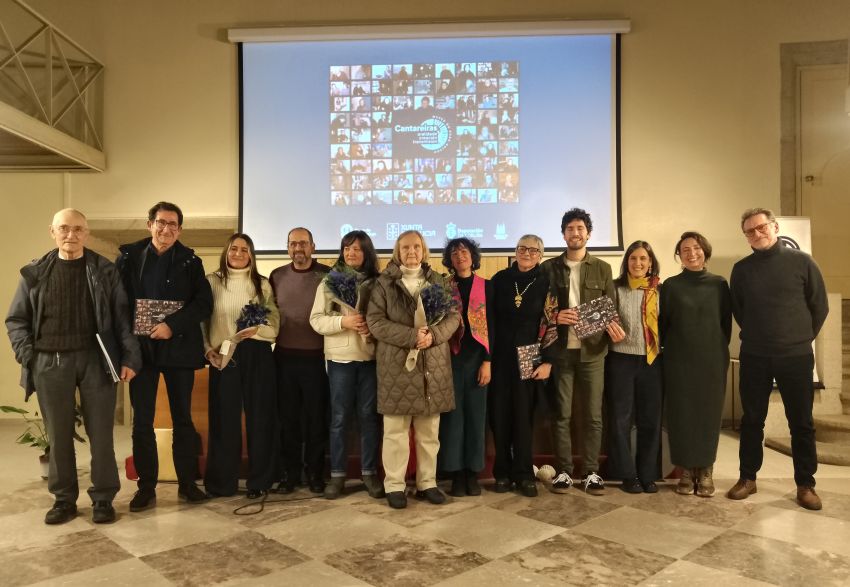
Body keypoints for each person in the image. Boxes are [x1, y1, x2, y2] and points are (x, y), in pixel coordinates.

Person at [6, 209, 141, 525]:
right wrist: (29, 355)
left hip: (95, 360)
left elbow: (123, 318)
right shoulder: (35, 273)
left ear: (87, 232)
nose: (71, 235)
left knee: (101, 434)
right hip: (50, 362)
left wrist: (130, 357)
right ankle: (64, 500)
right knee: (59, 434)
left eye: (78, 229)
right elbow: (16, 320)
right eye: (64, 228)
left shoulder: (105, 271)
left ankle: (103, 498)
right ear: (52, 231)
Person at [727, 208, 828, 510]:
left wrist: (798, 337)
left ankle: (805, 484)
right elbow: (739, 310)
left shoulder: (802, 262)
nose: (756, 234)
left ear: (774, 227)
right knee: (752, 420)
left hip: (795, 356)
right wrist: (761, 335)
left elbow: (819, 306)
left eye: (760, 228)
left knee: (801, 422)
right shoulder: (742, 269)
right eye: (749, 231)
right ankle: (748, 478)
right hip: (755, 355)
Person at [116, 202, 212, 511]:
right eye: (160, 222)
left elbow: (203, 304)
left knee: (183, 419)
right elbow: (117, 302)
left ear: (180, 230)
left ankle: (187, 484)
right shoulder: (129, 258)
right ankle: (146, 487)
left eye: (173, 224)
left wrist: (172, 326)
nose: (166, 229)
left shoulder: (190, 262)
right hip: (140, 351)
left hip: (179, 348)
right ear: (149, 225)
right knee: (141, 422)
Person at [366, 230, 460, 509]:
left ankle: (427, 483)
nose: (411, 251)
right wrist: (411, 337)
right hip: (396, 366)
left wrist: (433, 335)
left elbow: (454, 317)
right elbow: (375, 322)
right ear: (397, 251)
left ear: (424, 250)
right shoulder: (384, 284)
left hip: (433, 365)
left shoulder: (440, 281)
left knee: (429, 431)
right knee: (395, 430)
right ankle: (395, 485)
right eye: (405, 246)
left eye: (416, 246)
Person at [540, 208, 615, 495]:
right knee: (562, 414)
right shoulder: (549, 268)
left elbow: (610, 309)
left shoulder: (602, 268)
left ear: (588, 233)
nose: (575, 233)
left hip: (593, 352)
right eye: (570, 228)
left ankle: (592, 472)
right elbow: (540, 308)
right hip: (560, 352)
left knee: (593, 415)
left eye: (580, 228)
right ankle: (564, 472)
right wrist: (555, 315)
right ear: (563, 234)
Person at [202, 234, 280, 498]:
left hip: (256, 354)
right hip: (224, 356)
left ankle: (260, 482)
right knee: (224, 420)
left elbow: (274, 326)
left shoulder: (262, 285)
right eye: (233, 248)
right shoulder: (212, 282)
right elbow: (201, 322)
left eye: (244, 250)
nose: (238, 253)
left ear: (251, 255)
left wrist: (255, 331)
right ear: (226, 252)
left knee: (261, 419)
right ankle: (222, 483)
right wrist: (206, 350)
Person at [309, 230, 384, 500]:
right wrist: (345, 322)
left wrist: (370, 329)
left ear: (367, 252)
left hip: (370, 358)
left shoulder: (379, 282)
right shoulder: (330, 281)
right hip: (340, 359)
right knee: (339, 418)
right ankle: (338, 475)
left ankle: (369, 474)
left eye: (357, 249)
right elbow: (316, 320)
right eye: (346, 248)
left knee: (369, 419)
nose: (351, 253)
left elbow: (386, 320)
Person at [660, 231, 731, 497]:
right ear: (679, 255)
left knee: (708, 416)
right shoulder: (671, 286)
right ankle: (687, 471)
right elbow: (663, 325)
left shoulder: (719, 284)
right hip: (679, 360)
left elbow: (726, 325)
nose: (692, 253)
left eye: (697, 248)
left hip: (712, 360)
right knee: (681, 415)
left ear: (705, 251)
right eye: (685, 249)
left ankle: (706, 469)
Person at [489, 235, 554, 497]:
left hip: (530, 354)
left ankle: (524, 473)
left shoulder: (547, 283)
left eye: (533, 250)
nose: (527, 253)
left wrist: (549, 360)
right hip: (500, 354)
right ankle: (502, 472)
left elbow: (552, 323)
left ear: (540, 254)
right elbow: (488, 320)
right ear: (515, 251)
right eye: (522, 248)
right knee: (499, 415)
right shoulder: (500, 280)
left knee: (523, 417)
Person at [270, 227, 331, 494]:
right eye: (293, 244)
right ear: (287, 247)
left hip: (317, 360)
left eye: (303, 244)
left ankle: (315, 474)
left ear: (313, 246)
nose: (298, 249)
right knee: (288, 421)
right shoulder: (276, 276)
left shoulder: (327, 275)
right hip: (283, 359)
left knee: (316, 421)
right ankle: (289, 474)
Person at [604, 241, 662, 494]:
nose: (638, 263)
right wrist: (608, 329)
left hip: (652, 361)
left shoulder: (660, 290)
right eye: (633, 258)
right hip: (621, 361)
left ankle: (648, 474)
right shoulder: (615, 288)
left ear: (650, 262)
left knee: (650, 420)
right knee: (620, 420)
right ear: (626, 262)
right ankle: (628, 475)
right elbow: (602, 322)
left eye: (643, 259)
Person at [439, 238, 494, 497]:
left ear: (473, 256)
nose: (459, 255)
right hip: (448, 359)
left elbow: (493, 327)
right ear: (449, 259)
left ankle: (473, 473)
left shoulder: (486, 287)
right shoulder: (442, 287)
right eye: (454, 252)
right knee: (453, 419)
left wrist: (487, 361)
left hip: (477, 360)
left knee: (475, 417)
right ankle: (456, 474)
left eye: (464, 251)